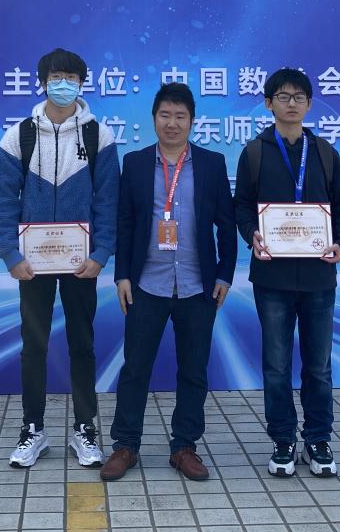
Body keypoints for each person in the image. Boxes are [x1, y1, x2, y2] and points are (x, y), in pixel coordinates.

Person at [0, 48, 119, 468]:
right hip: (33, 265)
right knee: (34, 347)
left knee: (83, 345)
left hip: (82, 264)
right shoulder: (19, 136)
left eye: (71, 78)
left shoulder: (98, 136)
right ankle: (33, 429)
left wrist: (101, 253)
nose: (63, 84)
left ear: (82, 83)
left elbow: (109, 202)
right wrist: (11, 255)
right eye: (56, 77)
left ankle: (85, 429)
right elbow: (1, 201)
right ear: (43, 82)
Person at [99, 83, 237, 482]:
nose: (172, 123)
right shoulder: (135, 163)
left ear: (192, 121)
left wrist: (225, 274)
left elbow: (226, 225)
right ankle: (126, 445)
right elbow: (125, 222)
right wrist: (122, 275)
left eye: (180, 116)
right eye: (165, 115)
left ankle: (184, 447)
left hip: (198, 286)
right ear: (154, 118)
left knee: (193, 370)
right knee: (135, 368)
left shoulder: (211, 163)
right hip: (147, 284)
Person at [235, 68, 340, 478]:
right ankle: (283, 439)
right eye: (283, 96)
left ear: (308, 104)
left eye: (299, 97)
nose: (292, 103)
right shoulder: (254, 153)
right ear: (268, 103)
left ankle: (318, 439)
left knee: (318, 366)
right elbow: (241, 206)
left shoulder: (324, 153)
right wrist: (251, 234)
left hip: (319, 277)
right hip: (271, 278)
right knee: (276, 366)